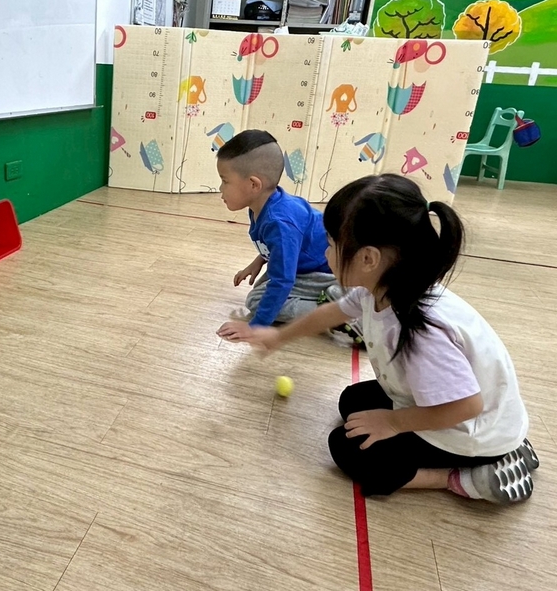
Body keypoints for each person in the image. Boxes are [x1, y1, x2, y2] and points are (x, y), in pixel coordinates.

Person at [218, 173, 538, 504]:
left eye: (331, 244)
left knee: (348, 449)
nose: (326, 253)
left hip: (469, 429)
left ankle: (467, 475)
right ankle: (501, 447)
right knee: (353, 400)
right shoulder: (387, 286)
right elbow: (333, 312)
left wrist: (394, 422)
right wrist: (278, 336)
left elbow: (466, 405)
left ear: (368, 259)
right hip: (482, 416)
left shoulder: (417, 331)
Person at [217, 129, 337, 327]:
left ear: (253, 185)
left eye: (225, 181)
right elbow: (279, 246)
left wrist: (256, 326)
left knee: (256, 301)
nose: (221, 188)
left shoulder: (279, 222)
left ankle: (339, 310)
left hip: (326, 272)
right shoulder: (264, 205)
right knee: (262, 292)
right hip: (304, 265)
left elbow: (283, 280)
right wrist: (258, 261)